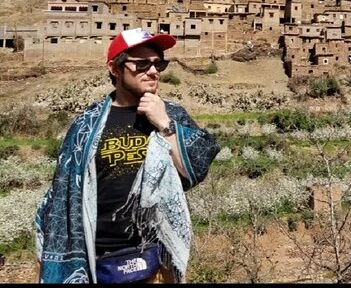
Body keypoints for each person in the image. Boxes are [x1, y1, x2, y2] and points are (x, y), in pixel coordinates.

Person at [35, 27, 221, 283]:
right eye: (142, 64)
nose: (153, 71)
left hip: (154, 263)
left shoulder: (172, 115)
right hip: (94, 261)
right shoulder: (86, 126)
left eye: (159, 64)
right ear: (115, 68)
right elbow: (63, 194)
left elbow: (192, 172)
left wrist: (163, 123)